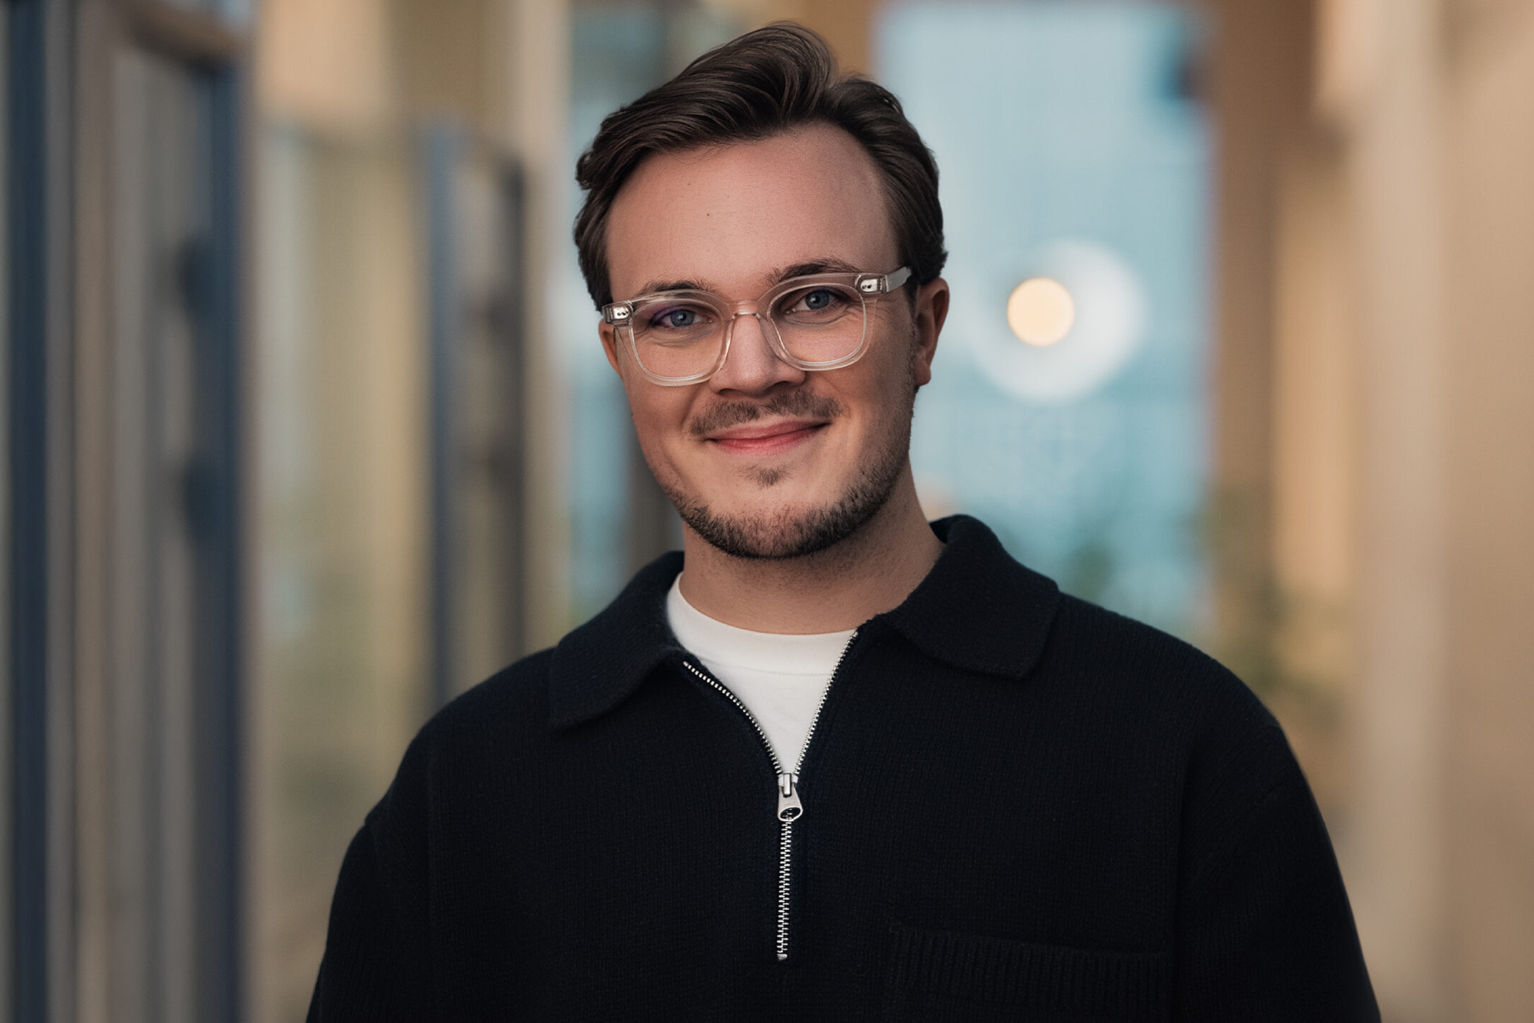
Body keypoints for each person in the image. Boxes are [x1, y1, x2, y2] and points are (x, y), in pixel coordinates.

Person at [309, 24, 1378, 1021]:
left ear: (922, 327)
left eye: (815, 299)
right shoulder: (468, 793)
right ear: (619, 360)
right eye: (678, 318)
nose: (752, 370)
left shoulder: (1182, 754)